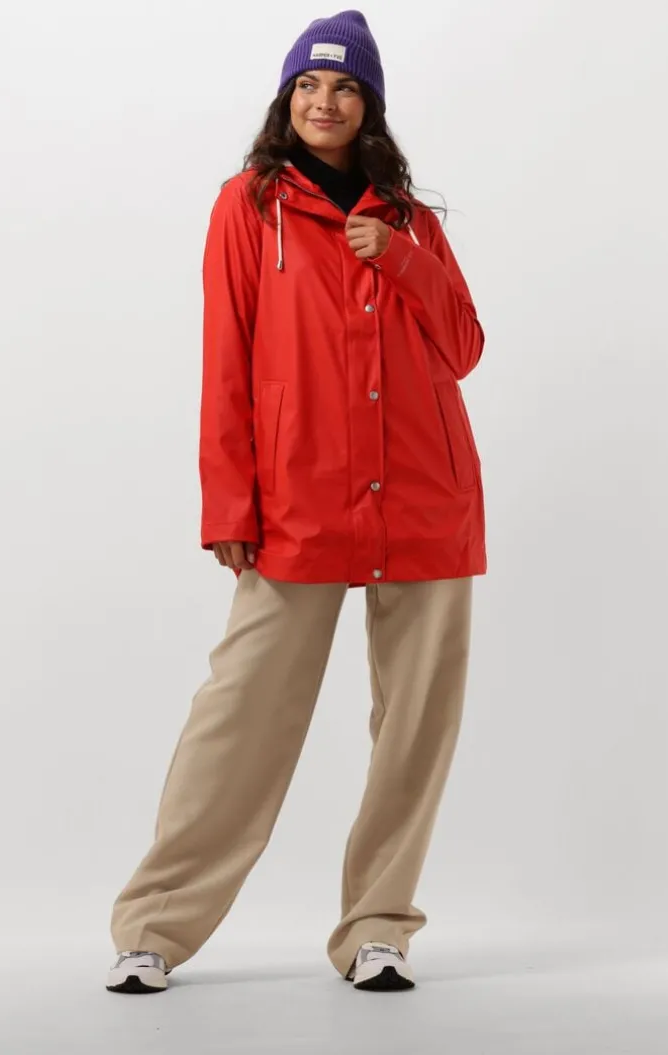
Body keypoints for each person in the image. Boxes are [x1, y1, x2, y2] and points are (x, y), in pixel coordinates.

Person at [106, 9, 486, 995]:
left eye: (346, 87)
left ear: (370, 105)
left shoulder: (413, 220)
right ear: (286, 101)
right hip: (298, 501)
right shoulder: (248, 208)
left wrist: (398, 254)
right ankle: (154, 926)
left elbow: (464, 346)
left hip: (425, 496)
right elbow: (225, 360)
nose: (326, 102)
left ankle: (378, 928)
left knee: (414, 727)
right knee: (240, 714)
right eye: (309, 86)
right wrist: (228, 503)